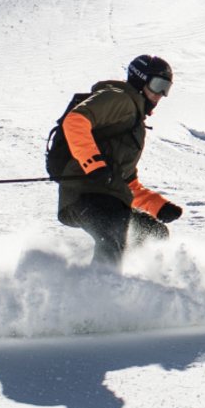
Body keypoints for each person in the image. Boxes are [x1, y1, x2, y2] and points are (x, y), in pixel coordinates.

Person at [45, 53, 184, 267]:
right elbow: (76, 120)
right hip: (85, 194)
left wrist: (157, 206)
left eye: (166, 88)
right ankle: (100, 284)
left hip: (108, 198)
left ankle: (123, 279)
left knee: (154, 233)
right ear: (139, 79)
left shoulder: (134, 122)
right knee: (112, 235)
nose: (160, 95)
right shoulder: (120, 98)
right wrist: (92, 164)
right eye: (157, 85)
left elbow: (126, 182)